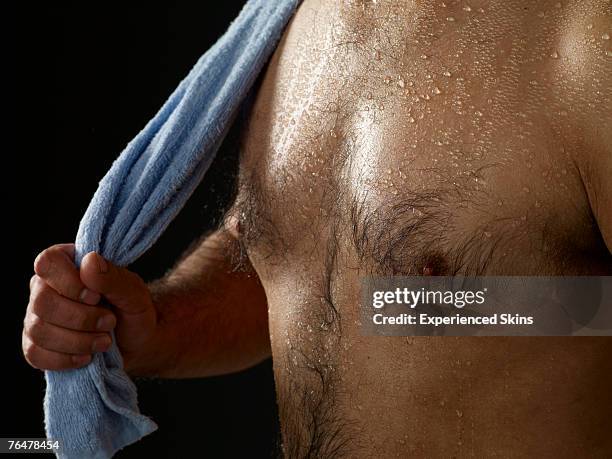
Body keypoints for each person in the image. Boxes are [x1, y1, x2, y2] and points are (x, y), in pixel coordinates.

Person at [23, 0, 612, 456]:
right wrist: (157, 326)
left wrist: (426, 305)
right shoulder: (294, 22)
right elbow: (300, 253)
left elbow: (401, 291)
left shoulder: (584, 36)